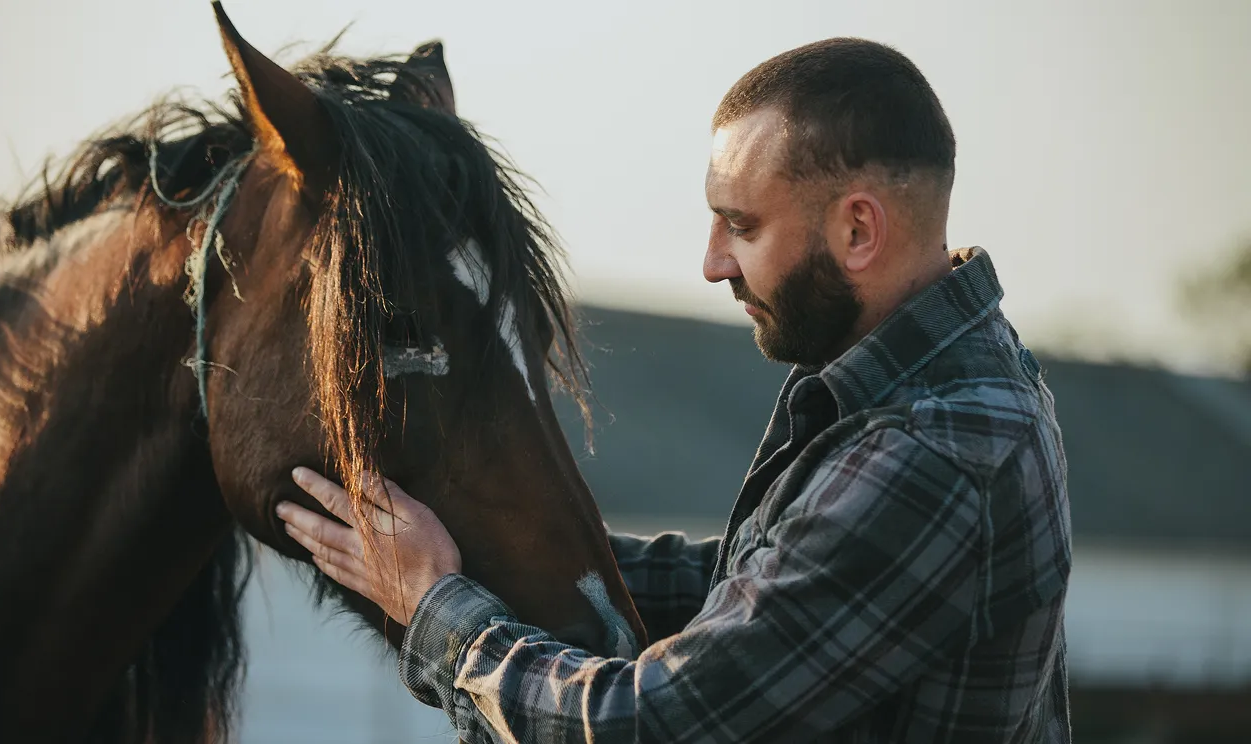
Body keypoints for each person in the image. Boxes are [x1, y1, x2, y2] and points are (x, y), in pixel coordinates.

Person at [276, 37, 1073, 742]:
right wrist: (499, 546)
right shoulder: (937, 372)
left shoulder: (937, 448)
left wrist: (435, 605)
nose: (713, 263)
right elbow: (756, 588)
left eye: (743, 226)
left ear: (858, 231)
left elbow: (651, 724)